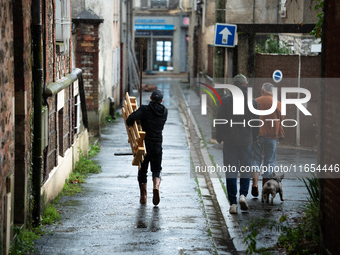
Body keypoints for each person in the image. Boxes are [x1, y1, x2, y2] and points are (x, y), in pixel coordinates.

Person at [216, 74, 260, 214]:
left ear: (234, 85)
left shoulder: (226, 101)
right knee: (246, 169)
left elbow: (220, 121)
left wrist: (219, 137)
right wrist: (254, 137)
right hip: (246, 141)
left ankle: (233, 204)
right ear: (246, 85)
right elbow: (256, 123)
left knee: (231, 171)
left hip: (230, 141)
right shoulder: (253, 102)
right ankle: (242, 195)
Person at [126, 90, 168, 205]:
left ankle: (143, 196)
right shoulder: (165, 111)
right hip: (157, 144)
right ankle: (156, 187)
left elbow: (129, 120)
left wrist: (139, 116)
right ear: (161, 100)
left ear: (150, 97)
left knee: (142, 171)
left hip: (144, 145)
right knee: (156, 169)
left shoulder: (144, 109)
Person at [251, 83, 284, 196]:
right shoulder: (278, 103)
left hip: (258, 135)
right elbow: (281, 119)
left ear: (262, 90)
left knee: (256, 160)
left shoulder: (256, 101)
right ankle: (265, 189)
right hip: (272, 136)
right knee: (269, 162)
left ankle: (254, 184)